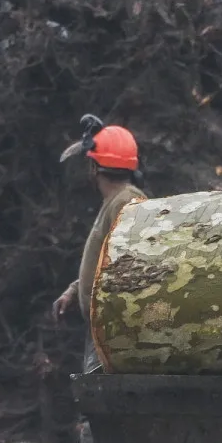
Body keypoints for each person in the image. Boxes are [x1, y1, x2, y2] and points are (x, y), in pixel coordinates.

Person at [52, 124, 146, 323]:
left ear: (94, 168)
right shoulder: (115, 201)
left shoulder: (125, 202)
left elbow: (131, 268)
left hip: (116, 329)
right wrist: (75, 290)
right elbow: (105, 262)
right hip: (104, 327)